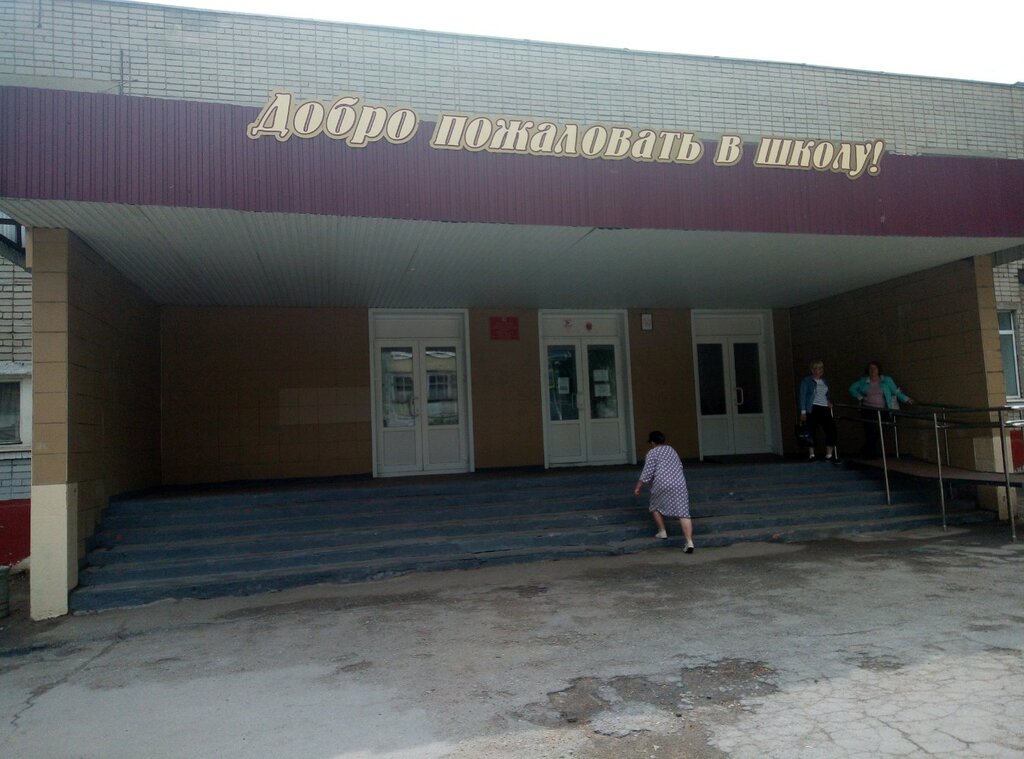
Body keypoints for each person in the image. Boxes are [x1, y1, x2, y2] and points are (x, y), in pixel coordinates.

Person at [634, 430, 694, 553]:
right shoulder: (672, 450)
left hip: (662, 483)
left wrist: (638, 487)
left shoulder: (652, 452)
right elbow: (680, 466)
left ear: (652, 442)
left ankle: (662, 531)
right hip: (679, 482)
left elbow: (647, 472)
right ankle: (689, 542)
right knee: (683, 513)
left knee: (654, 506)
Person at [849, 361, 913, 457]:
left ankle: (865, 451)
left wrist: (906, 399)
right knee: (870, 430)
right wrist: (860, 397)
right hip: (867, 409)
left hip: (882, 410)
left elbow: (895, 391)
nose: (873, 370)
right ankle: (870, 454)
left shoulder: (886, 380)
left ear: (879, 370)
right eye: (870, 368)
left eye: (875, 368)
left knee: (877, 431)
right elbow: (852, 388)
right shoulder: (863, 381)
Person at [798, 359, 839, 463]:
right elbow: (803, 396)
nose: (819, 370)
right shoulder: (807, 381)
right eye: (816, 368)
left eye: (820, 368)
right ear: (812, 370)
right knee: (811, 430)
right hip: (812, 407)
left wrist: (828, 401)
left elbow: (825, 394)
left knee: (831, 428)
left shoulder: (824, 381)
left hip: (824, 407)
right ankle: (812, 454)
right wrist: (803, 411)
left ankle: (829, 455)